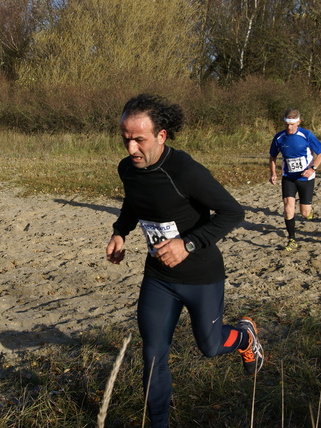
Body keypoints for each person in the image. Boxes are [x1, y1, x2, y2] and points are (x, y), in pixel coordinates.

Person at [105, 94, 263, 428]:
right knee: (153, 354)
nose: (131, 149)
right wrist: (121, 232)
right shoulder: (128, 170)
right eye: (125, 139)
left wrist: (187, 244)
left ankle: (245, 337)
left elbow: (233, 212)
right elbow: (134, 203)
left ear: (161, 136)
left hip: (201, 276)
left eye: (139, 140)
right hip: (159, 279)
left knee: (210, 345)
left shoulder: (186, 171)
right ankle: (159, 422)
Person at [269, 108, 321, 251]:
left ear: (299, 122)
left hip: (305, 178)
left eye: (293, 124)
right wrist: (273, 173)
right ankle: (292, 239)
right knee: (288, 209)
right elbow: (273, 156)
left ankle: (309, 212)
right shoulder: (279, 137)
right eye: (287, 124)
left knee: (305, 213)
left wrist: (313, 168)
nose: (289, 127)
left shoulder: (306, 135)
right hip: (288, 177)